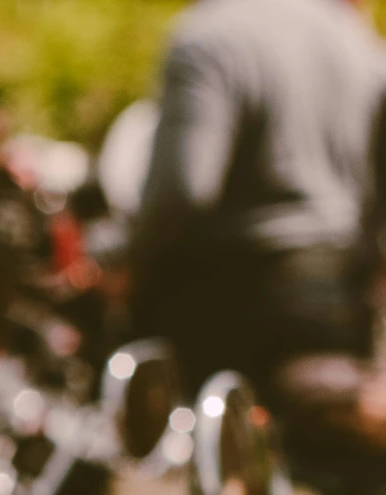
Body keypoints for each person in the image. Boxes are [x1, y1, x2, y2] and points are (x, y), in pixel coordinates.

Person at [132, 0, 386, 398]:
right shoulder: (359, 42)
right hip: (338, 295)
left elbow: (183, 193)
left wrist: (123, 259)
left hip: (227, 303)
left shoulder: (207, 36)